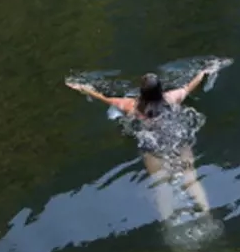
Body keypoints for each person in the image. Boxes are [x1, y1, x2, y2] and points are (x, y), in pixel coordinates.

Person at [66, 68, 217, 221]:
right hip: (176, 138)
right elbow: (190, 85)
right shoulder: (171, 98)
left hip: (152, 145)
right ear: (160, 90)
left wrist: (82, 88)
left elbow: (103, 98)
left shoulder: (131, 106)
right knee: (190, 177)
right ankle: (206, 212)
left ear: (142, 92)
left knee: (161, 185)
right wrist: (204, 72)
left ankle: (168, 223)